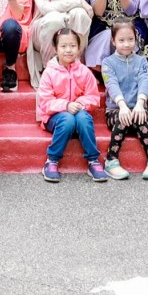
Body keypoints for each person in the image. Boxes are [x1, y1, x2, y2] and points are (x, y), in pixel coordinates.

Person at [34, 29, 109, 182]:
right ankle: (52, 160)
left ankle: (93, 160)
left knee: (83, 118)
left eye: (73, 46)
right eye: (63, 46)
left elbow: (93, 97)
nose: (68, 50)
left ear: (79, 48)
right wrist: (66, 105)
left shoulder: (84, 72)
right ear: (55, 49)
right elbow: (45, 102)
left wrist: (80, 104)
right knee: (67, 119)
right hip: (55, 118)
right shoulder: (49, 73)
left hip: (79, 115)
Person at [100, 24, 148, 181]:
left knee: (141, 121)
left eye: (130, 39)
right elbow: (111, 84)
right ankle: (111, 160)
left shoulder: (141, 61)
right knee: (123, 119)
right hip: (116, 110)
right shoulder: (107, 62)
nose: (126, 44)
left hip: (137, 109)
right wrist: (122, 106)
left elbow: (144, 81)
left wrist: (140, 104)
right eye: (121, 40)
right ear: (113, 41)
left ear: (136, 40)